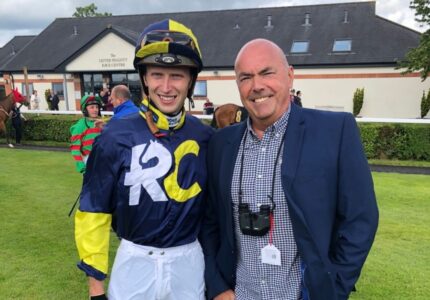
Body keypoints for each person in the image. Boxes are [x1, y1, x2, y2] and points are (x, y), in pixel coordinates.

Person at [200, 39, 379, 300]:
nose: (256, 85)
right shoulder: (221, 144)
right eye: (245, 77)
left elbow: (360, 219)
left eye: (266, 73)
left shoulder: (334, 132)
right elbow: (210, 221)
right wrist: (218, 287)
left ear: (290, 75)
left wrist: (332, 288)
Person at [74, 19, 212, 300]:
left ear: (190, 81)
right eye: (158, 74)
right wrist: (95, 286)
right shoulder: (114, 135)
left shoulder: (206, 137)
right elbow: (94, 209)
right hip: (134, 260)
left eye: (177, 76)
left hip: (189, 261)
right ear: (145, 78)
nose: (166, 86)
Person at [69, 95, 103, 173]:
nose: (95, 110)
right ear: (85, 110)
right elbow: (75, 149)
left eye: (97, 107)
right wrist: (82, 167)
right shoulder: (79, 126)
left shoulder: (101, 123)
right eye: (92, 107)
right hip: (90, 160)